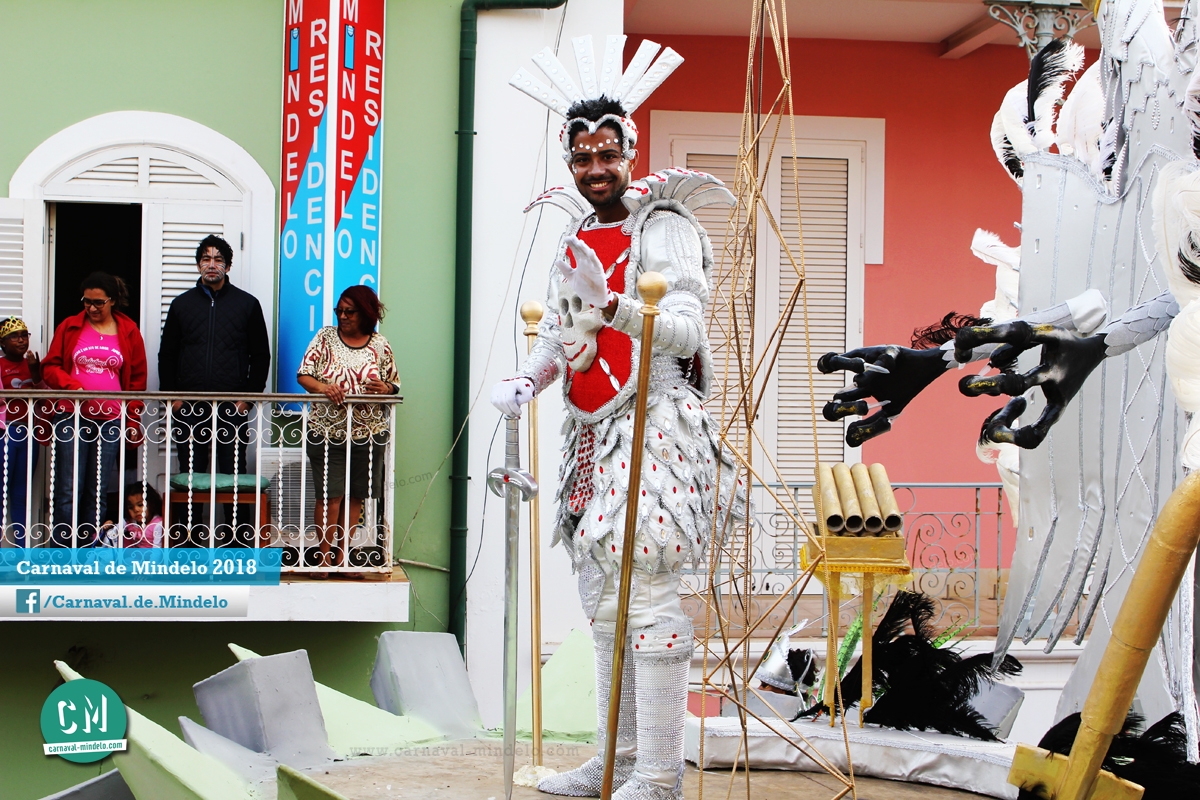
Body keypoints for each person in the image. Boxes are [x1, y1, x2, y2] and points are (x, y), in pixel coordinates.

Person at [495, 38, 739, 800]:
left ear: (631, 153)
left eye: (607, 153)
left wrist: (620, 310)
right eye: (582, 157)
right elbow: (558, 332)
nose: (595, 168)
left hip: (656, 427)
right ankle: (616, 761)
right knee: (603, 604)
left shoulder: (663, 228)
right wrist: (528, 379)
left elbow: (687, 332)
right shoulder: (575, 238)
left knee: (651, 599)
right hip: (591, 433)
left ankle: (660, 774)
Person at [159, 234, 270, 546]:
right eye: (206, 259)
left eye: (218, 259)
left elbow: (261, 356)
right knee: (190, 473)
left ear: (228, 266)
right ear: (198, 265)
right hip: (189, 406)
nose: (211, 264)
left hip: (231, 407)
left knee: (233, 473)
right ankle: (189, 540)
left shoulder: (247, 305)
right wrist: (173, 397)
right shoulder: (181, 305)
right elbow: (167, 355)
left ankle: (238, 541)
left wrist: (247, 400)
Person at [296, 285, 399, 577]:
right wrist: (324, 388)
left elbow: (394, 383)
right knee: (329, 497)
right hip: (327, 431)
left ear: (365, 313)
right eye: (339, 311)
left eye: (349, 312)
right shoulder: (325, 338)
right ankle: (323, 558)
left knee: (356, 496)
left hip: (368, 433)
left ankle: (343, 558)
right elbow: (303, 374)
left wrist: (385, 388)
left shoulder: (380, 345)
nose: (342, 316)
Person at [43, 272, 147, 547]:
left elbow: (137, 381)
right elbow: (50, 367)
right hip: (72, 416)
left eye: (98, 302)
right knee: (68, 488)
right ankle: (62, 554)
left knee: (97, 491)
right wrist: (71, 386)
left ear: (112, 300)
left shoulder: (129, 331)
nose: (91, 308)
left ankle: (90, 553)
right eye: (87, 301)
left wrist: (132, 420)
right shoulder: (70, 326)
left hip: (111, 419)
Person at [0, 316, 47, 546]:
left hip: (29, 433)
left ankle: (21, 552)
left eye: (24, 335)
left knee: (21, 494)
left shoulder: (34, 365)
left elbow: (45, 400)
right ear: (2, 342)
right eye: (14, 336)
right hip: (5, 433)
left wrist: (35, 372)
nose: (21, 340)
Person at [100, 484, 164, 549]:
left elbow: (157, 550)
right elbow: (115, 531)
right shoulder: (131, 522)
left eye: (140, 505)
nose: (136, 510)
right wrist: (109, 526)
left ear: (151, 504)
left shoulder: (157, 524)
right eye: (131, 507)